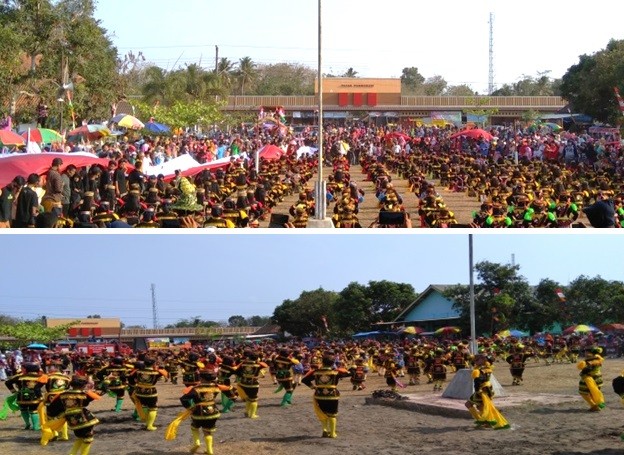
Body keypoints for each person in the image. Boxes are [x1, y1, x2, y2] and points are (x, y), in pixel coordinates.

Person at [166, 368, 225, 455]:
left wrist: (190, 407)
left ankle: (197, 443)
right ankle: (209, 450)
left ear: (201, 378)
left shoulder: (196, 388)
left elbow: (184, 399)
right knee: (208, 431)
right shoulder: (217, 387)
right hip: (213, 412)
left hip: (198, 412)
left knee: (194, 427)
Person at [42, 375, 100, 455]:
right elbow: (97, 395)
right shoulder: (85, 394)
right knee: (87, 439)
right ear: (83, 385)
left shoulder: (62, 394)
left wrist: (56, 416)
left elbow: (53, 407)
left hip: (70, 419)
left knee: (80, 437)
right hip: (85, 419)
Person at [301, 353, 351, 438]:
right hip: (332, 395)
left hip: (319, 395)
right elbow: (349, 373)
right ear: (333, 363)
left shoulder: (316, 372)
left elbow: (304, 380)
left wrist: (313, 387)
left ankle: (325, 429)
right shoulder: (336, 372)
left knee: (322, 413)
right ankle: (332, 433)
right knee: (332, 414)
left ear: (322, 362)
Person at [465, 353, 510, 430]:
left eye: (477, 360)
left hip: (481, 390)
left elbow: (478, 380)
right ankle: (486, 421)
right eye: (475, 360)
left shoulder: (478, 370)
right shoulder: (487, 368)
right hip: (487, 389)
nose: (475, 361)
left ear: (483, 360)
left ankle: (481, 420)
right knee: (481, 407)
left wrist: (477, 390)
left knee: (469, 404)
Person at [127, 358, 168, 430]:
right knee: (153, 408)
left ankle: (147, 423)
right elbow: (166, 375)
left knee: (145, 407)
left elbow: (130, 378)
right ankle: (149, 425)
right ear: (153, 364)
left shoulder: (137, 371)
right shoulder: (157, 372)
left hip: (139, 391)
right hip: (151, 392)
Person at [5, 362, 47, 430]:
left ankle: (27, 424)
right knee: (34, 411)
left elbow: (7, 382)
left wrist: (14, 392)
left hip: (21, 397)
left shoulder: (19, 376)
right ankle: (35, 426)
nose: (21, 369)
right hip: (35, 397)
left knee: (23, 410)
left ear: (27, 369)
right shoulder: (39, 376)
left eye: (22, 368)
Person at [235, 349, 268, 419]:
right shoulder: (258, 365)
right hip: (253, 384)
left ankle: (247, 412)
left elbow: (236, 369)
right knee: (253, 399)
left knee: (249, 399)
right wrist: (258, 361)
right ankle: (252, 414)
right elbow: (265, 365)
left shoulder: (243, 363)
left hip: (243, 383)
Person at [577, 346, 606, 412]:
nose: (585, 353)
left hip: (589, 379)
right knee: (595, 392)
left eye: (586, 352)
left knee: (583, 393)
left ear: (589, 352)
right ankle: (598, 405)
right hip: (598, 379)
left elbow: (580, 367)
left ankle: (593, 405)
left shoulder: (588, 360)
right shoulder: (599, 358)